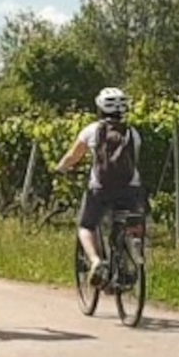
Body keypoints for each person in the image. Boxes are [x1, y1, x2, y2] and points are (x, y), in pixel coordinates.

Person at [54, 86, 145, 285]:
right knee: (126, 222)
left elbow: (72, 156)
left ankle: (96, 261)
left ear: (100, 108)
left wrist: (60, 168)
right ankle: (124, 261)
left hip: (100, 188)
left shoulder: (92, 131)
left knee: (86, 225)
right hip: (130, 188)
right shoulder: (133, 133)